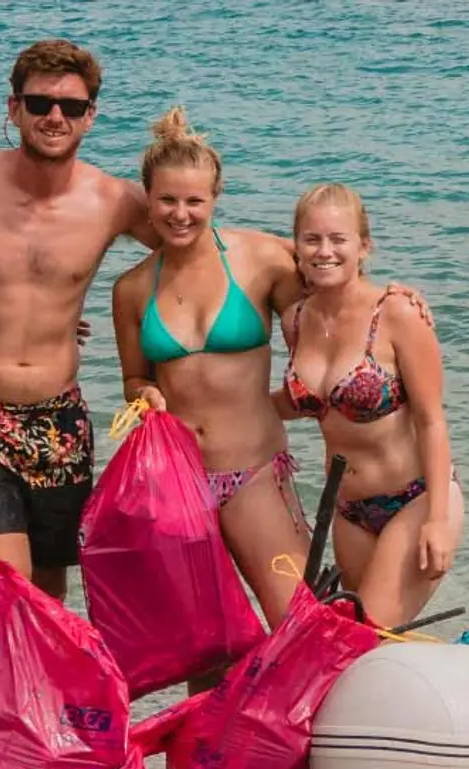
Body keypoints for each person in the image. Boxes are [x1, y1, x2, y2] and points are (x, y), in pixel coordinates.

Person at [0, 38, 159, 668]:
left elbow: (195, 245)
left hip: (61, 420)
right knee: (1, 588)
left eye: (71, 105)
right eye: (39, 102)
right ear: (13, 108)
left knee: (50, 592)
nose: (54, 117)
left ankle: (38, 735)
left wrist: (327, 277)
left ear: (92, 114)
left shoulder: (113, 199)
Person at [109, 106, 310, 647]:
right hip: (180, 486)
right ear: (147, 200)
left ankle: (310, 731)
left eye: (195, 201)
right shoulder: (131, 289)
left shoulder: (263, 259)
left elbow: (332, 309)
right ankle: (214, 734)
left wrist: (394, 301)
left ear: (215, 198)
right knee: (206, 644)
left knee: (296, 623)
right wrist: (144, 392)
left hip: (254, 472)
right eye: (167, 200)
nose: (180, 213)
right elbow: (133, 377)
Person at [272, 183, 464, 629]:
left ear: (364, 246)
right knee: (354, 642)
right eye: (311, 240)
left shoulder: (396, 314)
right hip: (349, 512)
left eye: (339, 240)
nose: (325, 251)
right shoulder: (295, 320)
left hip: (415, 500)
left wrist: (437, 519)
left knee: (367, 637)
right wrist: (209, 411)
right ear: (296, 246)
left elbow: (432, 419)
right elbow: (303, 404)